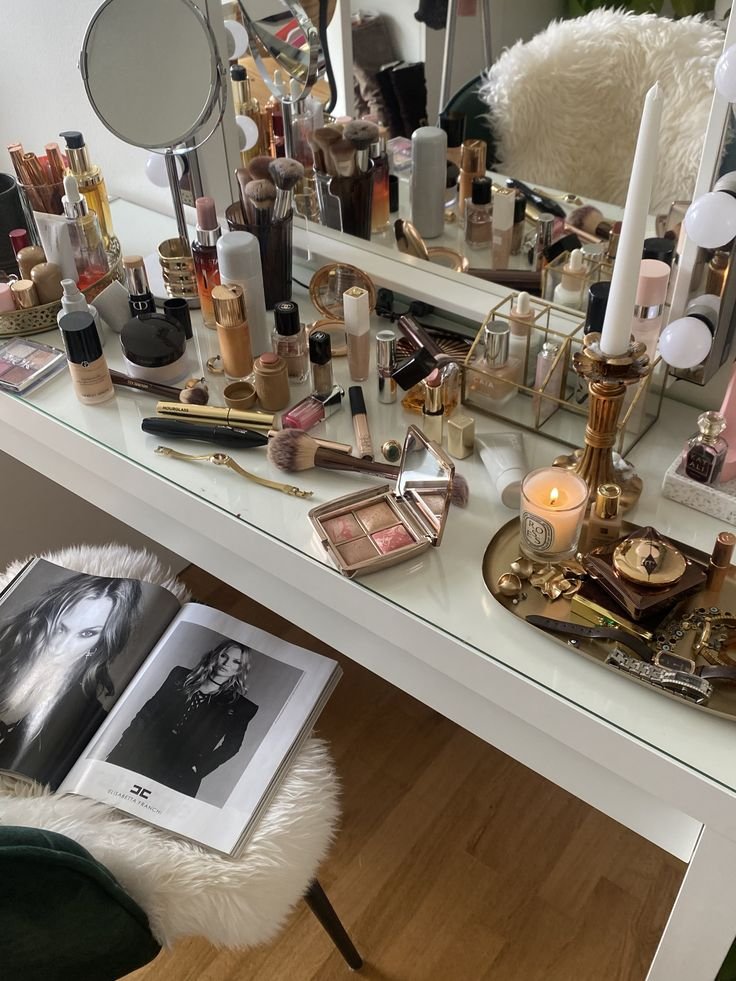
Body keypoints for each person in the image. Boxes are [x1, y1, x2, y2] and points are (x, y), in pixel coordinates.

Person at [0, 572, 142, 786]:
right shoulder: (6, 647)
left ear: (101, 642)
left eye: (86, 634)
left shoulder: (87, 720)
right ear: (47, 617)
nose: (60, 647)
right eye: (61, 627)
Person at [106, 641, 258, 798]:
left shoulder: (240, 706)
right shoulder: (180, 676)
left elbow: (231, 746)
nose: (226, 663)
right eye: (224, 656)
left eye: (236, 661)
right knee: (114, 794)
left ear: (241, 668)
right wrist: (127, 742)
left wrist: (199, 768)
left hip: (179, 769)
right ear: (215, 655)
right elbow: (148, 712)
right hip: (144, 751)